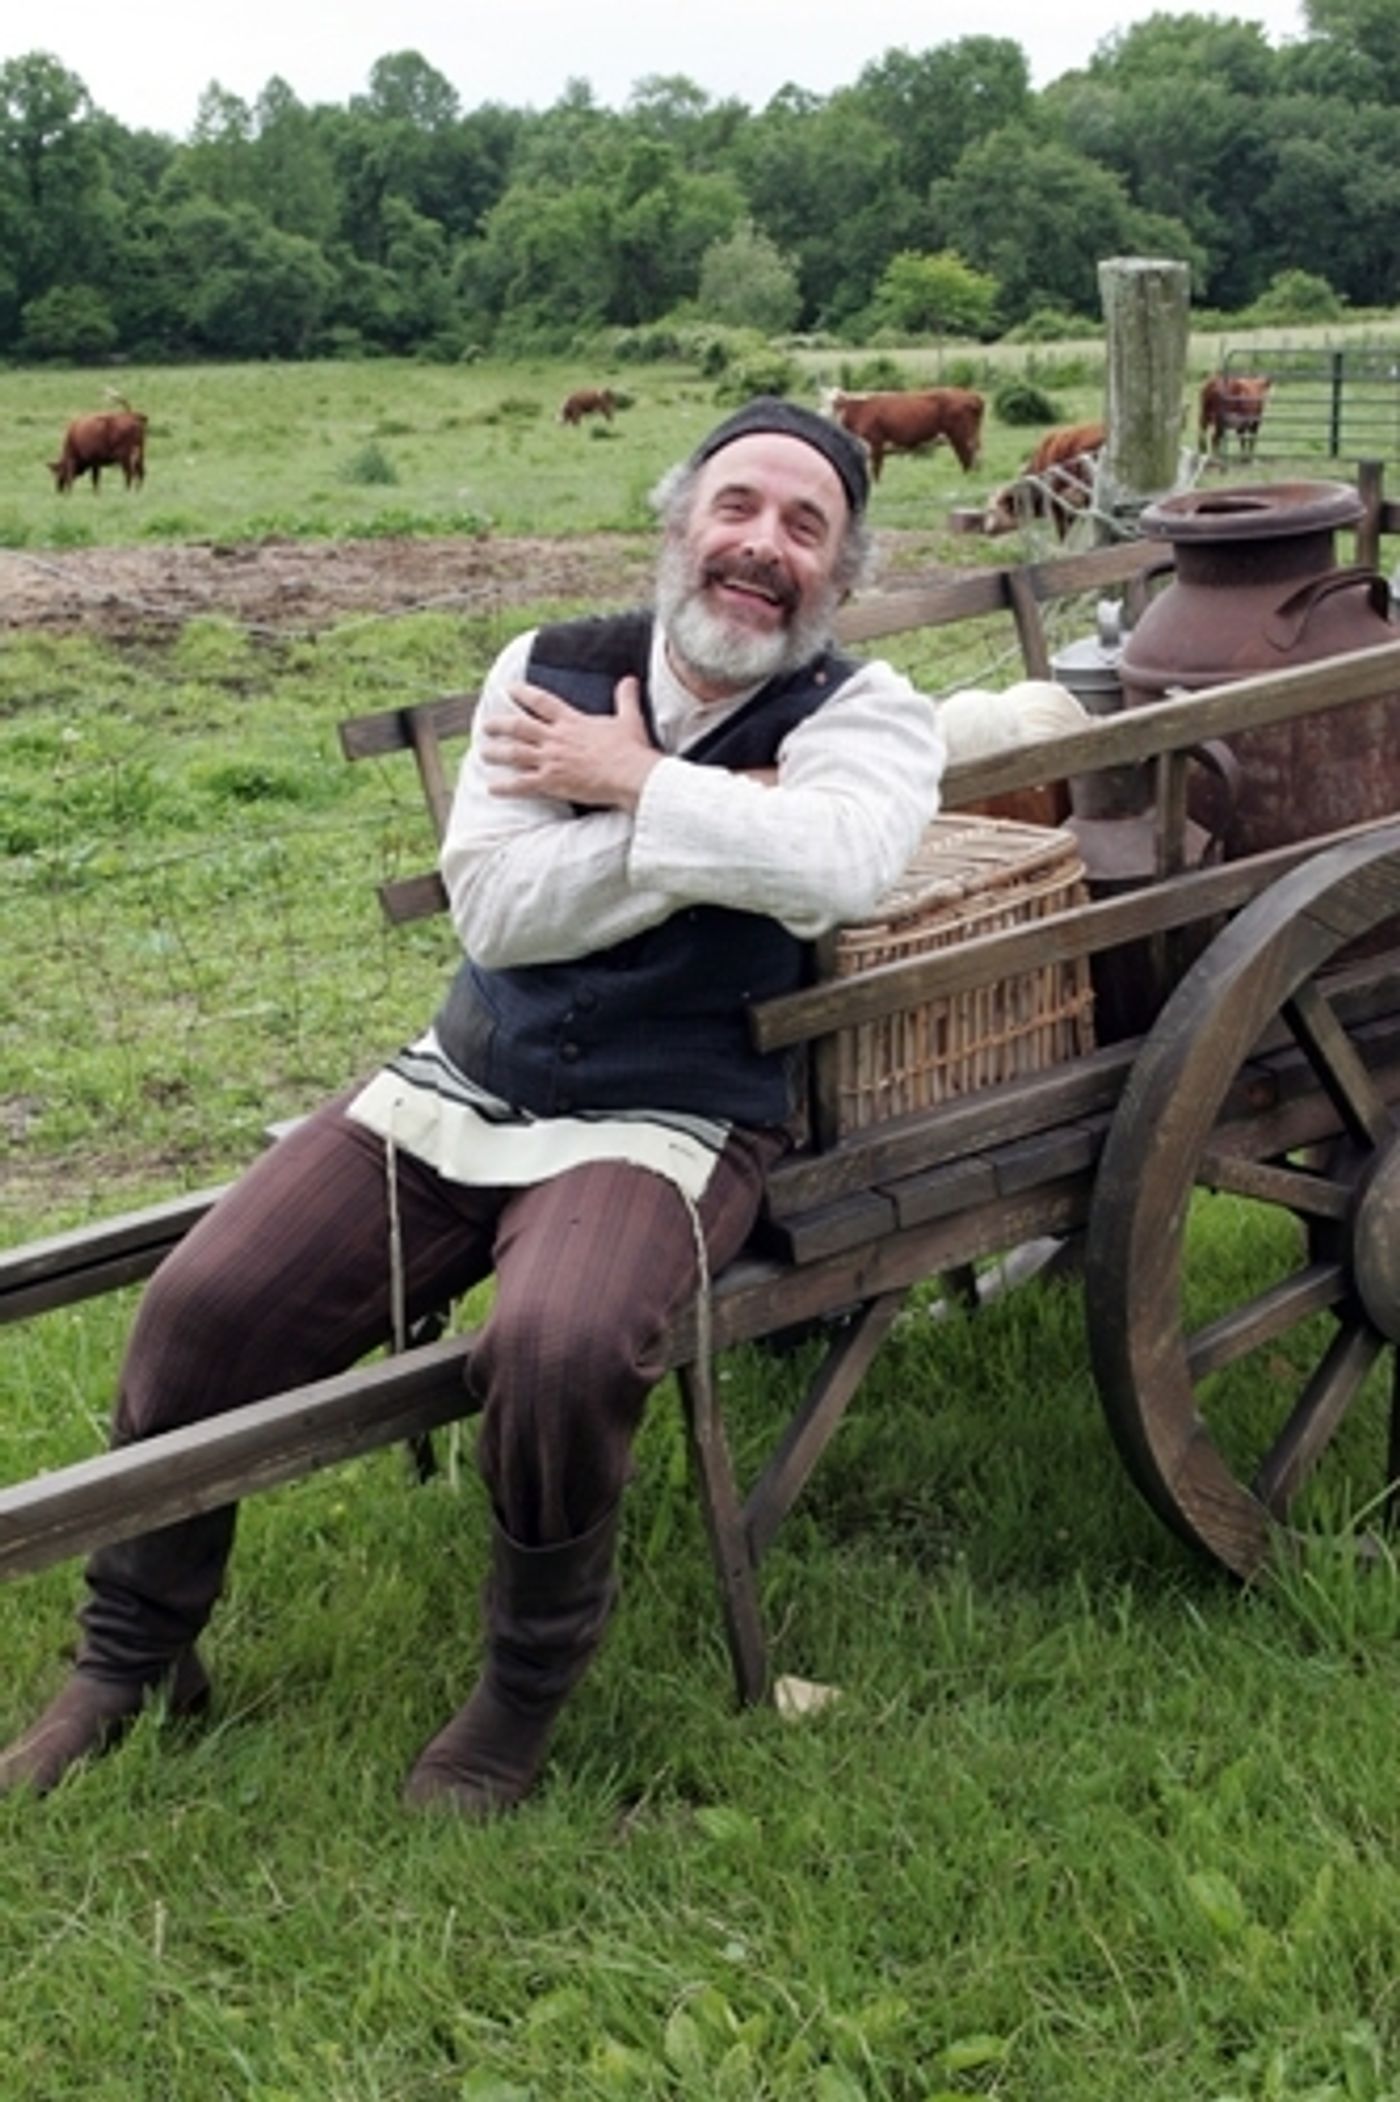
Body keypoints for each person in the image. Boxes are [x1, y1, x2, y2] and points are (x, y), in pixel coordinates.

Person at [0, 397, 1082, 1816]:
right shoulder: (547, 663)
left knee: (563, 1344)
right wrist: (712, 821)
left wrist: (625, 782)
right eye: (738, 508)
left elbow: (831, 871)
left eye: (805, 527)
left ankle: (524, 1684)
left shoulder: (864, 711)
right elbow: (499, 910)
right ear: (679, 524)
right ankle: (134, 1653)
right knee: (207, 1306)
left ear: (840, 574)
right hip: (467, 1079)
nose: (762, 546)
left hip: (674, 1114)